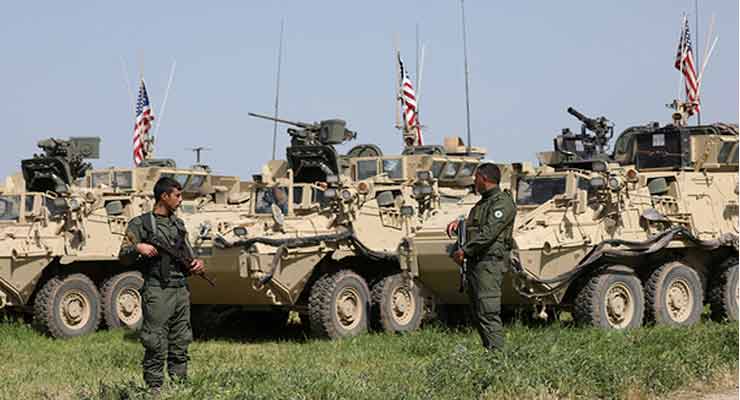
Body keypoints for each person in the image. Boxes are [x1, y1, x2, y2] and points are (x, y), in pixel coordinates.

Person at [119, 177, 205, 391]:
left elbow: (188, 255)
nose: (180, 199)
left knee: (181, 340)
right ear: (164, 197)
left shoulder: (178, 224)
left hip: (180, 290)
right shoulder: (140, 224)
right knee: (155, 341)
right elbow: (123, 254)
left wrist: (196, 265)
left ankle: (179, 385)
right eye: (177, 195)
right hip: (158, 290)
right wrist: (138, 247)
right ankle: (154, 388)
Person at [448, 163, 516, 351]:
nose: (474, 182)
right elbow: (474, 228)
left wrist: (464, 251)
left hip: (489, 265)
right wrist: (459, 225)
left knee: (488, 311)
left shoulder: (502, 203)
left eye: (476, 178)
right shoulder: (481, 204)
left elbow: (489, 232)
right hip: (476, 264)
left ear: (483, 178)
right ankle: (490, 351)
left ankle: (498, 357)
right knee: (477, 312)